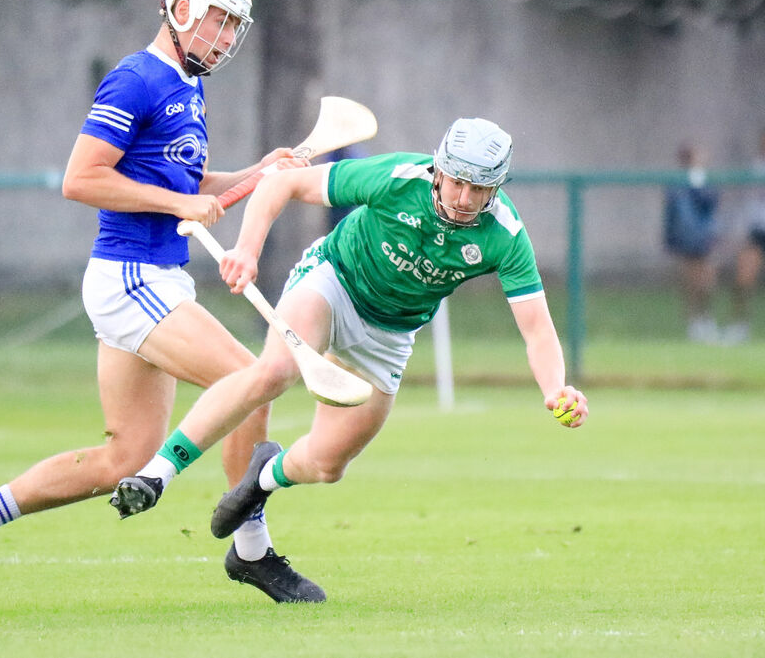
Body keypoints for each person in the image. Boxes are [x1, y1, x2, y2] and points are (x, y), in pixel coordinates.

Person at [0, 0, 322, 603]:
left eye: (232, 28)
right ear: (181, 10)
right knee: (251, 380)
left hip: (153, 279)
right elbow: (80, 179)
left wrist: (258, 173)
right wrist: (178, 207)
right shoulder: (136, 79)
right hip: (132, 276)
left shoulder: (188, 87)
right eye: (217, 22)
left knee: (123, 458)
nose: (224, 40)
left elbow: (186, 187)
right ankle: (252, 550)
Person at [109, 118, 590, 598]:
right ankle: (157, 474)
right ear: (439, 170)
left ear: (495, 189)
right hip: (333, 281)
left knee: (326, 465)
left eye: (479, 189)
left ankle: (263, 478)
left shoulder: (504, 234)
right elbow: (284, 182)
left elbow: (537, 330)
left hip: (391, 335)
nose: (465, 198)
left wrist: (555, 388)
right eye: (458, 182)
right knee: (274, 371)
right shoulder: (397, 177)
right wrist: (248, 250)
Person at [662, 143, 721, 343]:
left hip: (704, 239)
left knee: (707, 281)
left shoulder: (705, 181)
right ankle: (693, 322)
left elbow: (710, 204)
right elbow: (671, 215)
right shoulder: (676, 185)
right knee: (690, 283)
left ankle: (707, 319)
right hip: (686, 240)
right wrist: (671, 240)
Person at [727, 130, 765, 345]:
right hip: (758, 230)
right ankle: (739, 326)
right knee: (743, 278)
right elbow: (747, 202)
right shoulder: (755, 167)